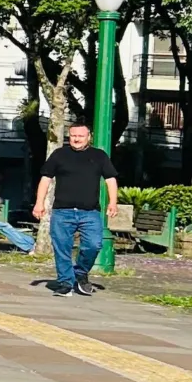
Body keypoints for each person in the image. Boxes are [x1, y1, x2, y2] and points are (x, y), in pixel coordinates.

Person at [32, 120, 120, 296]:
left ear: (89, 137)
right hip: (62, 212)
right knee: (62, 248)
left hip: (90, 212)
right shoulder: (59, 155)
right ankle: (65, 282)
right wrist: (39, 202)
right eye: (73, 136)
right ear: (69, 136)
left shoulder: (99, 156)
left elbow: (110, 179)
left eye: (80, 136)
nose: (77, 139)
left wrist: (113, 202)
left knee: (94, 245)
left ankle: (80, 274)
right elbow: (45, 179)